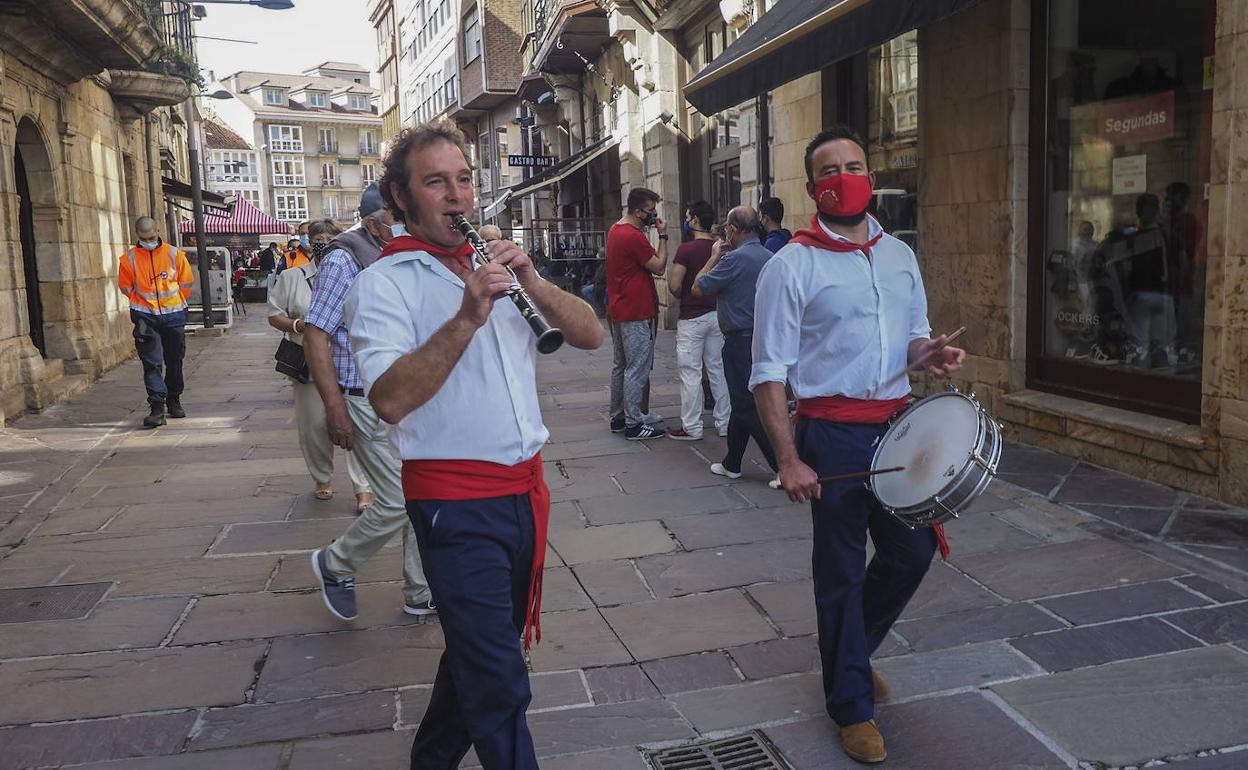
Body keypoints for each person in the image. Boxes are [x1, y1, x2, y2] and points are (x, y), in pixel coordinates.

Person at [345, 122, 602, 770]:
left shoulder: (497, 266)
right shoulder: (385, 284)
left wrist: (534, 284)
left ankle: (431, 758)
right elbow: (389, 400)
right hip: (454, 507)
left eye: (463, 178)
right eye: (436, 181)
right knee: (499, 678)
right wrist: (465, 317)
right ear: (401, 199)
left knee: (477, 655)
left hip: (524, 496)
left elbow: (593, 335)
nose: (456, 194)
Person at [750, 126, 965, 764]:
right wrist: (788, 457)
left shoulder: (899, 254)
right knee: (840, 571)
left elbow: (914, 338)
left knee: (913, 550)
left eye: (854, 164)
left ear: (868, 174)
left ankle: (851, 653)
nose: (845, 175)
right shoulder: (792, 263)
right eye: (830, 168)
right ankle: (849, 704)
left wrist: (928, 355)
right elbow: (768, 372)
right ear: (814, 186)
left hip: (899, 427)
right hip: (833, 435)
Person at [303, 183, 433, 621]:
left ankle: (420, 591)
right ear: (377, 221)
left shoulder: (387, 254)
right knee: (398, 500)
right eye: (398, 218)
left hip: (396, 397)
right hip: (360, 397)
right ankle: (336, 562)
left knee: (418, 495)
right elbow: (316, 334)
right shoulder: (344, 258)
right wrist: (334, 406)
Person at [268, 219, 374, 513]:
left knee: (358, 426)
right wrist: (299, 325)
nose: (322, 242)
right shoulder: (292, 277)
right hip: (307, 364)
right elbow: (274, 315)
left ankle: (363, 487)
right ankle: (321, 476)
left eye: (330, 237)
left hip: (348, 363)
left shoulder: (354, 270)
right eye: (316, 237)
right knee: (314, 426)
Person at [691, 207, 779, 486]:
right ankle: (732, 462)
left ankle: (782, 465)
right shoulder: (769, 256)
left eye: (728, 227)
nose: (726, 231)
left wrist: (714, 256)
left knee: (744, 404)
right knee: (743, 400)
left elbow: (698, 286)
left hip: (740, 340)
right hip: (765, 338)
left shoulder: (732, 260)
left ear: (736, 229)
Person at [117, 216, 194, 428]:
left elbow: (186, 283)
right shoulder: (128, 259)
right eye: (144, 239)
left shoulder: (174, 254)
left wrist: (175, 301)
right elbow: (126, 287)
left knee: (175, 359)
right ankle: (157, 407)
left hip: (174, 315)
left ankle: (174, 398)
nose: (149, 242)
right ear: (137, 236)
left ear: (158, 231)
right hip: (146, 317)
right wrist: (142, 304)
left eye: (151, 237)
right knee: (152, 363)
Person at [607, 187, 668, 440]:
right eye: (651, 212)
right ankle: (634, 423)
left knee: (621, 365)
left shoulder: (615, 229)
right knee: (637, 367)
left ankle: (619, 417)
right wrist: (663, 237)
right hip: (636, 309)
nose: (654, 216)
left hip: (620, 307)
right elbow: (659, 267)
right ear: (637, 211)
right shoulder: (632, 236)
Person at [667, 200, 729, 440]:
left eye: (687, 216)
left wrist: (682, 291)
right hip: (716, 316)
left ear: (693, 219)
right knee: (718, 370)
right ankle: (724, 423)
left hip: (692, 318)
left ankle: (692, 426)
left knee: (690, 372)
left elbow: (674, 286)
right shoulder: (721, 247)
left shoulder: (686, 250)